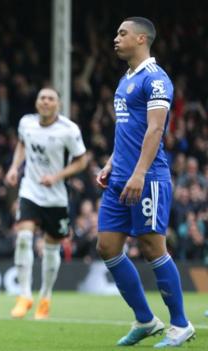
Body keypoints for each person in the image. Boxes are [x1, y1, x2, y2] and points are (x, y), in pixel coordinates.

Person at [96, 17, 195, 347]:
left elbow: (155, 130)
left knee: (153, 248)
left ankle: (180, 325)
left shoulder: (155, 80)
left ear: (141, 39)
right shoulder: (125, 80)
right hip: (120, 178)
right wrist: (111, 164)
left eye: (122, 33)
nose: (116, 38)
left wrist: (138, 173)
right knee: (107, 247)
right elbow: (126, 131)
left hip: (147, 177)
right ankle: (145, 319)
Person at [5, 87, 87, 319]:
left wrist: (57, 176)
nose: (46, 102)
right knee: (23, 237)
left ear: (58, 105)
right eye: (42, 98)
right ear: (37, 103)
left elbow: (82, 161)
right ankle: (24, 295)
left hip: (56, 196)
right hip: (30, 190)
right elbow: (22, 144)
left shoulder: (69, 130)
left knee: (51, 248)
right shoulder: (26, 123)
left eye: (51, 99)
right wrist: (14, 168)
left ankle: (45, 296)